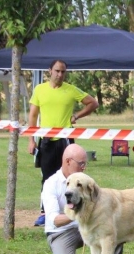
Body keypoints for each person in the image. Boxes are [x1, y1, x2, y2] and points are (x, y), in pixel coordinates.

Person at [28, 59, 99, 227]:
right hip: (46, 140)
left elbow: (93, 103)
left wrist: (76, 116)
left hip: (65, 140)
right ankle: (45, 212)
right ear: (50, 71)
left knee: (70, 176)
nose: (60, 75)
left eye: (63, 72)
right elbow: (32, 116)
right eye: (57, 71)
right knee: (47, 177)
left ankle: (72, 208)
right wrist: (31, 139)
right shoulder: (39, 89)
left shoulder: (71, 90)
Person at [42, 143, 124, 254]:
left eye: (85, 164)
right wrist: (79, 215)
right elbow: (55, 220)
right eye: (81, 164)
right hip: (61, 232)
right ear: (68, 161)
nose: (84, 167)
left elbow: (96, 199)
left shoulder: (84, 180)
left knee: (114, 226)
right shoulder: (51, 184)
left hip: (87, 226)